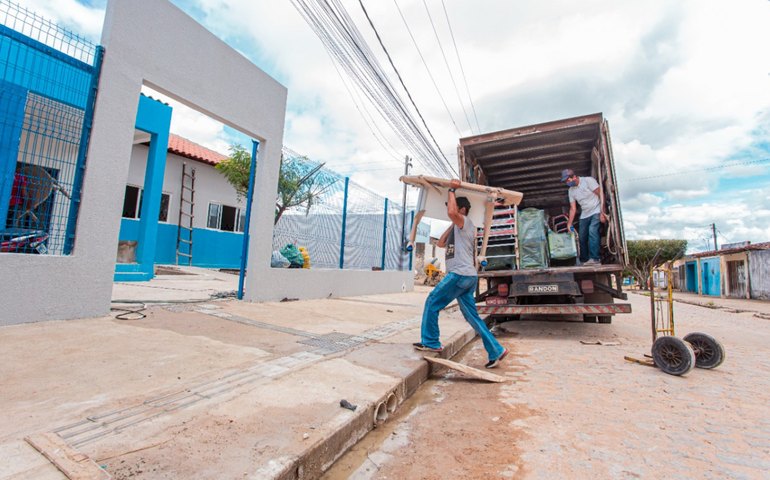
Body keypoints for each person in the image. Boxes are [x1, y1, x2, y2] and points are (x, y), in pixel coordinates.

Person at [413, 179, 509, 369]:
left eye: (453, 207)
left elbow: (452, 213)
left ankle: (431, 342)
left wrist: (452, 190)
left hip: (459, 275)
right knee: (472, 317)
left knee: (432, 302)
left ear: (462, 210)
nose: (449, 210)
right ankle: (496, 350)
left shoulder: (466, 223)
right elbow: (441, 243)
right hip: (467, 277)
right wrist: (451, 224)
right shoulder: (457, 227)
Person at [562, 168, 607, 265]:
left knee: (592, 231)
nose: (567, 183)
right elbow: (573, 208)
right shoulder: (571, 191)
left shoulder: (588, 181)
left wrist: (603, 212)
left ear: (574, 177)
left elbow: (601, 195)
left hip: (596, 210)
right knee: (582, 236)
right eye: (565, 181)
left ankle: (595, 259)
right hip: (585, 213)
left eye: (567, 180)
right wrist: (569, 224)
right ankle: (584, 260)